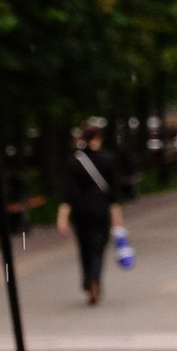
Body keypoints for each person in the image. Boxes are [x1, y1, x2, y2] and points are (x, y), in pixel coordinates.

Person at [55, 119, 125, 305]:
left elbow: (69, 192)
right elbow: (113, 191)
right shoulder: (108, 159)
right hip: (101, 209)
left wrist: (62, 217)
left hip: (81, 210)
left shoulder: (74, 162)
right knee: (98, 248)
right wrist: (116, 214)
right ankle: (95, 278)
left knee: (84, 248)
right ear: (99, 138)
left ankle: (88, 281)